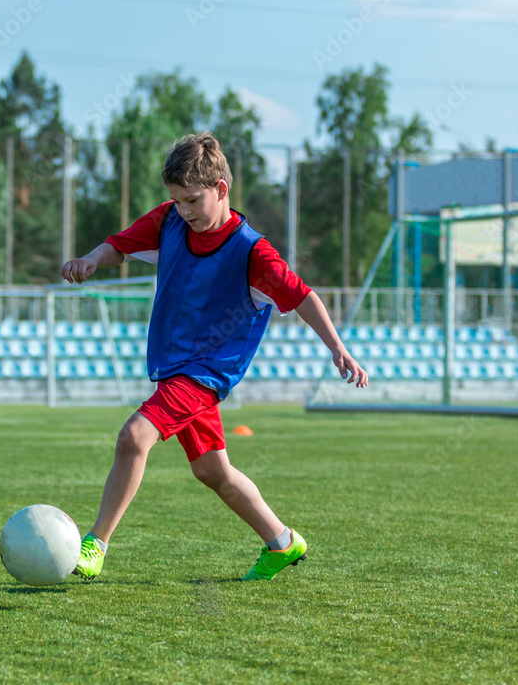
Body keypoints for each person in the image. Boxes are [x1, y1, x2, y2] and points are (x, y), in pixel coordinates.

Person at [60, 132, 368, 582]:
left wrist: (338, 349)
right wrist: (90, 259)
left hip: (204, 375)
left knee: (133, 437)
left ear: (221, 190)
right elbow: (121, 246)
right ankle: (283, 542)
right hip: (175, 371)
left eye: (192, 200)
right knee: (212, 471)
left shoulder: (253, 252)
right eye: (177, 201)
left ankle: (95, 544)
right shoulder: (170, 222)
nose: (184, 211)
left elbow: (303, 296)